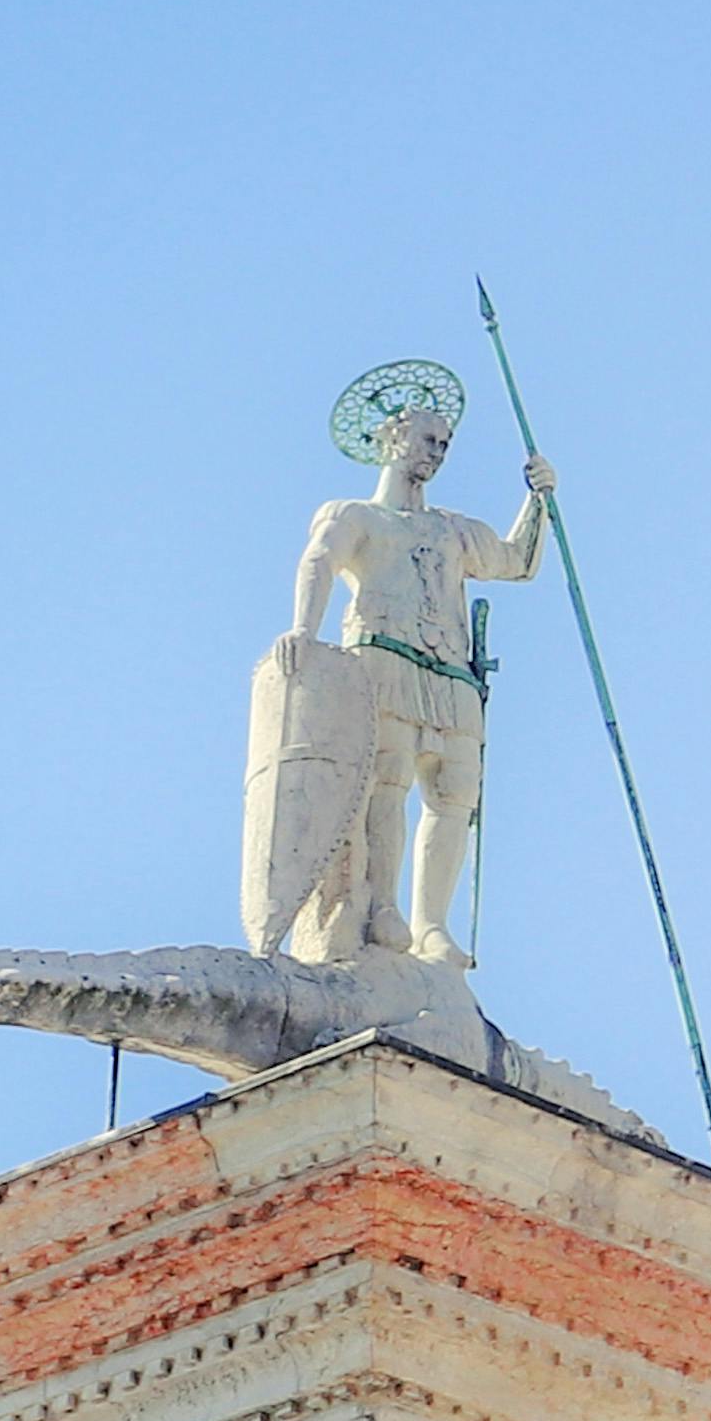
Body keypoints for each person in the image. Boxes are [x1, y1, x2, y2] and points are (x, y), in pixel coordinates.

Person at [246, 366, 553, 969]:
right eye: (427, 440)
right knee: (386, 781)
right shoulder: (356, 515)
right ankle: (382, 905)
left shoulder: (454, 530)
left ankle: (431, 923)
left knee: (454, 791)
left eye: (444, 444)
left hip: (451, 672)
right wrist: (304, 628)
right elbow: (321, 560)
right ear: (393, 440)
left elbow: (517, 562)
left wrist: (538, 499)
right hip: (384, 656)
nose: (436, 453)